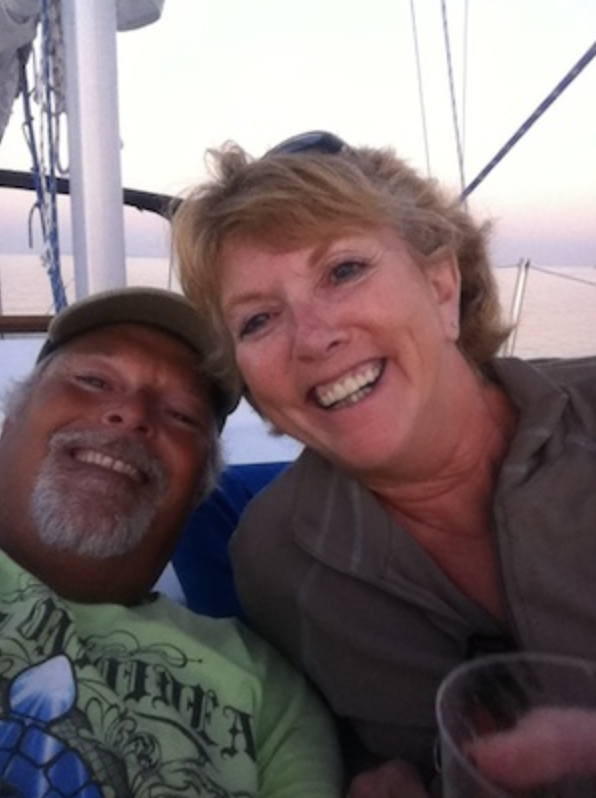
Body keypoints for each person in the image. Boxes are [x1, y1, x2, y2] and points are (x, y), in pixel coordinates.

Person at [170, 130, 596, 796]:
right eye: (257, 320)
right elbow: (327, 731)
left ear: (441, 284)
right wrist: (364, 773)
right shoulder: (271, 561)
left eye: (343, 270)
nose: (313, 338)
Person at [0, 286, 343, 797]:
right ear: (10, 423)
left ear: (198, 489)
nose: (132, 414)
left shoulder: (268, 691)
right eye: (94, 380)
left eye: (182, 415)